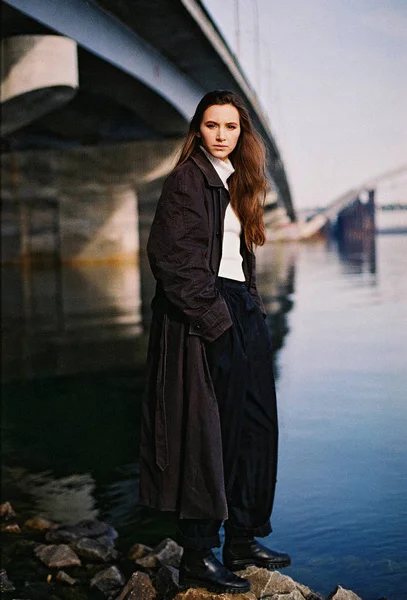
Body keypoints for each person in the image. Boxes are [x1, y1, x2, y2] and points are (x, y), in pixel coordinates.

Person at [139, 90, 290, 594]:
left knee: (256, 424)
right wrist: (217, 321)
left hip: (240, 308)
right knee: (210, 434)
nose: (222, 135)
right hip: (206, 313)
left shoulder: (237, 180)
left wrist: (250, 305)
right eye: (212, 126)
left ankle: (243, 538)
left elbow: (238, 256)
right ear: (198, 130)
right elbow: (170, 260)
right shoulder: (188, 180)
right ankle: (198, 554)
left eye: (230, 127)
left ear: (242, 133)